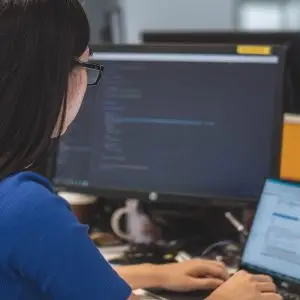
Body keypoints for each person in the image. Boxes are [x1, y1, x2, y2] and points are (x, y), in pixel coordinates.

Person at [0, 1, 282, 299]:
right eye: (86, 65)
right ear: (55, 77)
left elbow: (64, 273)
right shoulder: (29, 208)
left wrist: (154, 272)